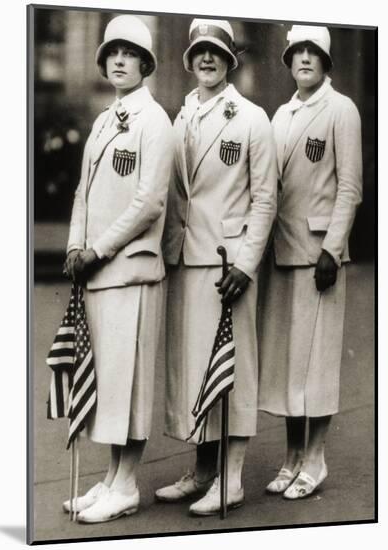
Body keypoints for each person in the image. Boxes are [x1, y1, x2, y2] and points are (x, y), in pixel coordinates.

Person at [156, 18, 277, 515]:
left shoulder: (251, 118)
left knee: (234, 369)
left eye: (216, 52)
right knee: (194, 370)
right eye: (199, 51)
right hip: (186, 258)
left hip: (228, 263)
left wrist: (247, 264)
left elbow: (266, 199)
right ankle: (204, 470)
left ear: (230, 60)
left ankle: (233, 478)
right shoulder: (181, 118)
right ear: (189, 60)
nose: (207, 59)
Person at [61, 14, 174, 523]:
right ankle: (110, 478)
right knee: (107, 377)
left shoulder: (154, 120)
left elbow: (149, 202)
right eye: (113, 53)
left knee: (128, 381)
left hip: (129, 267)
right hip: (97, 269)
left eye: (130, 54)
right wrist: (72, 246)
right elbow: (84, 192)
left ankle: (127, 484)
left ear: (146, 64)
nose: (120, 61)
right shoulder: (105, 120)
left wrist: (98, 249)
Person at [258, 25, 362, 499]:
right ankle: (292, 457)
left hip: (318, 255)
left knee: (315, 363)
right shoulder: (281, 114)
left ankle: (315, 460)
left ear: (325, 61)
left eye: (312, 52)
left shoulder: (341, 110)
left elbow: (350, 187)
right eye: (296, 51)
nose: (303, 58)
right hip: (281, 252)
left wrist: (332, 249)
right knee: (288, 363)